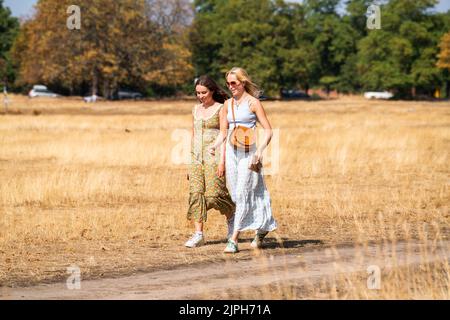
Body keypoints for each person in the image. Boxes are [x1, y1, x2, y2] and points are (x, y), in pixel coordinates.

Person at [209, 67, 277, 253]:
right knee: (237, 195)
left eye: (234, 83)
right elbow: (223, 132)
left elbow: (268, 130)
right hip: (232, 152)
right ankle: (263, 226)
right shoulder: (227, 105)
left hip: (249, 152)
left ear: (243, 82)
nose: (231, 86)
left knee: (243, 191)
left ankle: (233, 239)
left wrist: (260, 151)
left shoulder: (253, 103)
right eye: (228, 83)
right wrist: (213, 147)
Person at [185, 75, 236, 248]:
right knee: (196, 194)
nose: (200, 96)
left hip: (215, 156)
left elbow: (224, 133)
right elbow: (192, 135)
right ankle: (198, 234)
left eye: (204, 92)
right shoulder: (195, 109)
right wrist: (189, 161)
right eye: (198, 93)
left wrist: (222, 162)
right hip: (196, 158)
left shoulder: (221, 108)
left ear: (212, 91)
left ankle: (232, 215)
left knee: (215, 195)